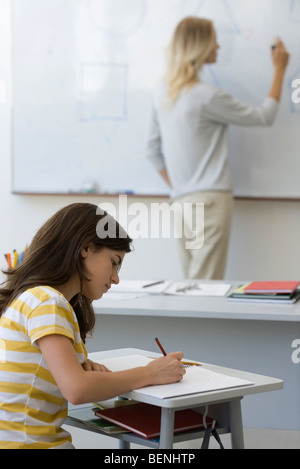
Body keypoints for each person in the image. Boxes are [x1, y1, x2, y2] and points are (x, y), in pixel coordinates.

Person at [0, 203, 185, 449]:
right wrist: (151, 372)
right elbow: (77, 390)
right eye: (114, 262)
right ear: (86, 248)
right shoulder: (48, 301)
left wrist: (75, 364)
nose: (116, 278)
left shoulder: (29, 298)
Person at [146, 17, 290, 280]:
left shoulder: (162, 93)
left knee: (192, 283)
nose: (219, 47)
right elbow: (264, 116)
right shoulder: (207, 96)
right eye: (214, 40)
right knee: (205, 288)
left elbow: (151, 151)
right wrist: (280, 70)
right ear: (200, 45)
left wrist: (181, 184)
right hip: (210, 201)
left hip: (181, 201)